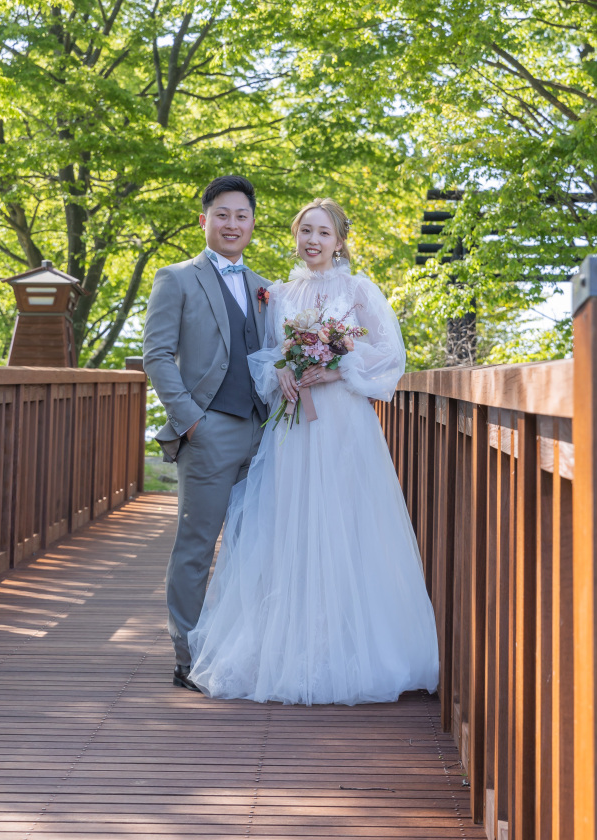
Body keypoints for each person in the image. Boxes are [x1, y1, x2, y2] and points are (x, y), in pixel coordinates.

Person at [187, 197, 439, 705]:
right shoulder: (277, 294)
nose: (313, 241)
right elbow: (264, 355)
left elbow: (390, 353)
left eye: (323, 232)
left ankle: (352, 649)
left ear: (339, 240)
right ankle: (285, 649)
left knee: (345, 524)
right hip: (294, 428)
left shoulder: (358, 289)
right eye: (306, 230)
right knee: (289, 524)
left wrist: (340, 366)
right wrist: (280, 371)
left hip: (344, 426)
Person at [142, 174, 271, 689]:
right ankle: (187, 654)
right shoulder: (175, 278)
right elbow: (156, 355)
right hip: (208, 430)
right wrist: (191, 420)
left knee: (252, 546)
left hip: (262, 435)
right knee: (197, 544)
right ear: (204, 220)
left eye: (241, 215)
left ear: (253, 223)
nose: (232, 224)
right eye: (222, 214)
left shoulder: (265, 286)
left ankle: (236, 646)